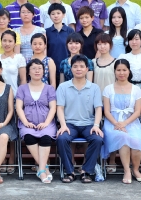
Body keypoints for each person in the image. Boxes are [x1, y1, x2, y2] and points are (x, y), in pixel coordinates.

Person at [55, 54, 104, 184]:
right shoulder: (63, 87)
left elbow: (98, 108)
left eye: (82, 66)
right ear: (71, 69)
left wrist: (96, 125)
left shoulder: (94, 88)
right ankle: (69, 171)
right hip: (69, 124)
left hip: (89, 124)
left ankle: (86, 171)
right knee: (61, 138)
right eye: (75, 66)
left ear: (87, 69)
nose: (78, 69)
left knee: (97, 139)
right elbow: (59, 108)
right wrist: (63, 125)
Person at [102, 58, 141, 184]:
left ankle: (136, 169)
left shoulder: (136, 89)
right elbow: (107, 111)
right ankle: (127, 170)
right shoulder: (108, 89)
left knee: (136, 139)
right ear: (114, 72)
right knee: (123, 137)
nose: (121, 73)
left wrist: (125, 123)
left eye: (124, 70)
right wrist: (117, 124)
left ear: (129, 71)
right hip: (113, 122)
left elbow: (137, 111)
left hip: (131, 121)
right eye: (118, 70)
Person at [16, 58, 57, 184]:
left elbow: (53, 107)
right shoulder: (22, 88)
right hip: (28, 123)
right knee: (29, 137)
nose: (37, 71)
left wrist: (46, 123)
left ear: (44, 72)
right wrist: (25, 122)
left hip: (46, 123)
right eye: (33, 68)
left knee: (46, 138)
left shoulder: (49, 88)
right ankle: (44, 169)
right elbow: (19, 107)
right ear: (28, 72)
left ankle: (41, 169)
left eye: (39, 68)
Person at [45, 3, 75, 69]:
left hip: (67, 66)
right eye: (53, 14)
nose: (56, 16)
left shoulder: (70, 31)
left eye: (58, 13)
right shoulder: (46, 32)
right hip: (51, 66)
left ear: (63, 15)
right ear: (50, 16)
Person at [0, 30, 26, 96]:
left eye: (10, 41)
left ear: (15, 43)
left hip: (15, 94)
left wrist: (20, 96)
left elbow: (23, 80)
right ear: (1, 42)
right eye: (4, 41)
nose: (7, 44)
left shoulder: (19, 58)